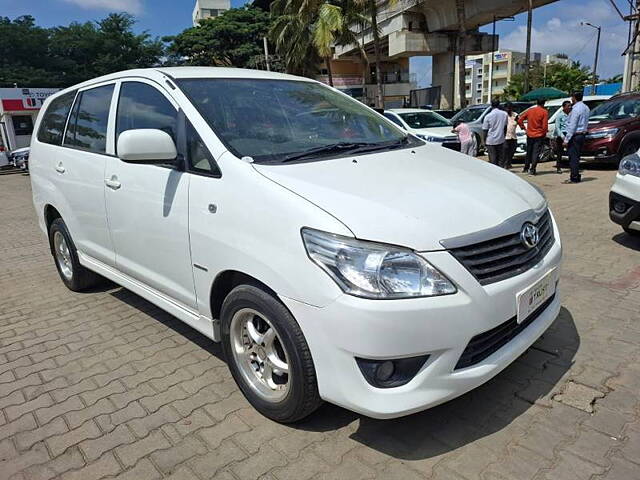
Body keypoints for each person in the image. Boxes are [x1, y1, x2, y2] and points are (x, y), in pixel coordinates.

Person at [563, 91, 590, 183]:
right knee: (577, 156)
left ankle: (574, 177)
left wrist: (566, 140)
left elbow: (572, 125)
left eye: (572, 97)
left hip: (575, 135)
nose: (571, 99)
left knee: (573, 157)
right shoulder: (586, 108)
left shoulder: (576, 109)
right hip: (582, 135)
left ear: (574, 98)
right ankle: (576, 175)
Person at [517, 98, 549, 175]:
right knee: (535, 152)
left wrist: (523, 127)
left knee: (529, 151)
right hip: (539, 135)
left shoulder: (530, 110)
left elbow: (520, 120)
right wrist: (544, 133)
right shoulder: (544, 112)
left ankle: (526, 167)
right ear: (543, 104)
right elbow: (544, 126)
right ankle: (532, 169)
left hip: (529, 134)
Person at [482, 99, 508, 166]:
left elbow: (485, 130)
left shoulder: (488, 116)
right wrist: (504, 137)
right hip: (501, 139)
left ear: (491, 105)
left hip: (490, 140)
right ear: (499, 104)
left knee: (493, 159)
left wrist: (484, 141)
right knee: (500, 159)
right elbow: (505, 127)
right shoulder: (504, 114)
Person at [553, 101, 572, 174]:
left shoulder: (571, 114)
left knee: (571, 151)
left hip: (569, 134)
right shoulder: (560, 115)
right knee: (560, 152)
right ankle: (558, 167)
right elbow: (557, 127)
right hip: (561, 135)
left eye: (570, 106)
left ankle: (571, 166)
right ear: (564, 107)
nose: (570, 107)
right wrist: (562, 136)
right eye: (568, 106)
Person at [503, 102, 519, 169]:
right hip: (505, 136)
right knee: (505, 150)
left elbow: (519, 122)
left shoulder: (515, 115)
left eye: (510, 108)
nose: (509, 109)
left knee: (512, 150)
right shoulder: (503, 115)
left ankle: (509, 163)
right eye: (507, 108)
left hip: (513, 136)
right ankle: (505, 163)